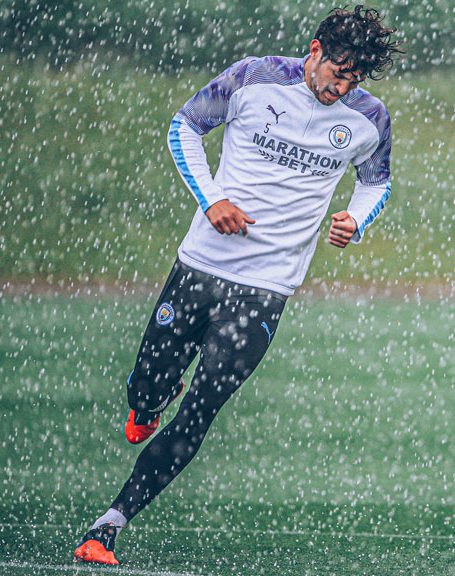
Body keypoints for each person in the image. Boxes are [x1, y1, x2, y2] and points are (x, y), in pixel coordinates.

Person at [73, 5, 402, 565]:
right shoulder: (254, 77)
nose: (340, 88)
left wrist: (355, 218)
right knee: (147, 394)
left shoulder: (368, 117)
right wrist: (212, 200)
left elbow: (377, 181)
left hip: (267, 292)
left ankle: (109, 526)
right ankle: (147, 402)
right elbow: (184, 126)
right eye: (337, 72)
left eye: (353, 79)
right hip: (200, 268)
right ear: (316, 51)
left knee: (200, 410)